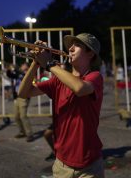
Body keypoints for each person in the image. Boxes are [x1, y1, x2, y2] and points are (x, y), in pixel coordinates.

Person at [18, 33, 104, 178]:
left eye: (77, 45)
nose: (70, 48)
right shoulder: (57, 80)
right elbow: (23, 92)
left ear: (90, 54)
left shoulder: (95, 77)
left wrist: (50, 64)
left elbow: (79, 88)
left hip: (90, 165)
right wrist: (36, 63)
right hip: (61, 164)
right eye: (70, 45)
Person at [14, 62, 34, 142]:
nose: (21, 66)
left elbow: (26, 81)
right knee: (16, 117)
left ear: (27, 67)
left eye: (23, 65)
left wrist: (20, 71)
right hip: (17, 97)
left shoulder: (28, 74)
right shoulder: (20, 74)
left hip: (24, 98)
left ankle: (29, 134)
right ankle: (22, 132)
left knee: (23, 116)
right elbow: (11, 75)